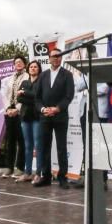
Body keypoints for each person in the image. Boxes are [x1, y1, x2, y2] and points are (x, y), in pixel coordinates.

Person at [33, 49, 74, 188]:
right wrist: (43, 109)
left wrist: (57, 108)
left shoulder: (67, 75)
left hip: (60, 116)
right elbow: (37, 97)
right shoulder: (43, 75)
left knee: (61, 147)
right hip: (45, 116)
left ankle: (63, 177)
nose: (56, 58)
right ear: (49, 58)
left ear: (61, 59)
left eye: (58, 56)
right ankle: (46, 177)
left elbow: (69, 96)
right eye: (53, 56)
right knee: (44, 147)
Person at [0, 55, 28, 178]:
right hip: (9, 112)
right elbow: (4, 94)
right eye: (16, 62)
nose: (18, 64)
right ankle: (9, 167)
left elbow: (26, 96)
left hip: (21, 112)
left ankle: (20, 167)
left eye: (21, 62)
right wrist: (7, 109)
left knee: (21, 140)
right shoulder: (9, 79)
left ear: (25, 64)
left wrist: (17, 109)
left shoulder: (28, 77)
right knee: (10, 140)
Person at [15, 59, 42, 182]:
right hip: (25, 117)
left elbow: (38, 97)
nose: (33, 68)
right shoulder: (25, 82)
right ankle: (27, 173)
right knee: (27, 146)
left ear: (39, 69)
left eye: (35, 67)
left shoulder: (41, 82)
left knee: (38, 145)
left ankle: (38, 174)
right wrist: (28, 96)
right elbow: (19, 99)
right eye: (31, 67)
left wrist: (25, 93)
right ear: (28, 69)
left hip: (37, 117)